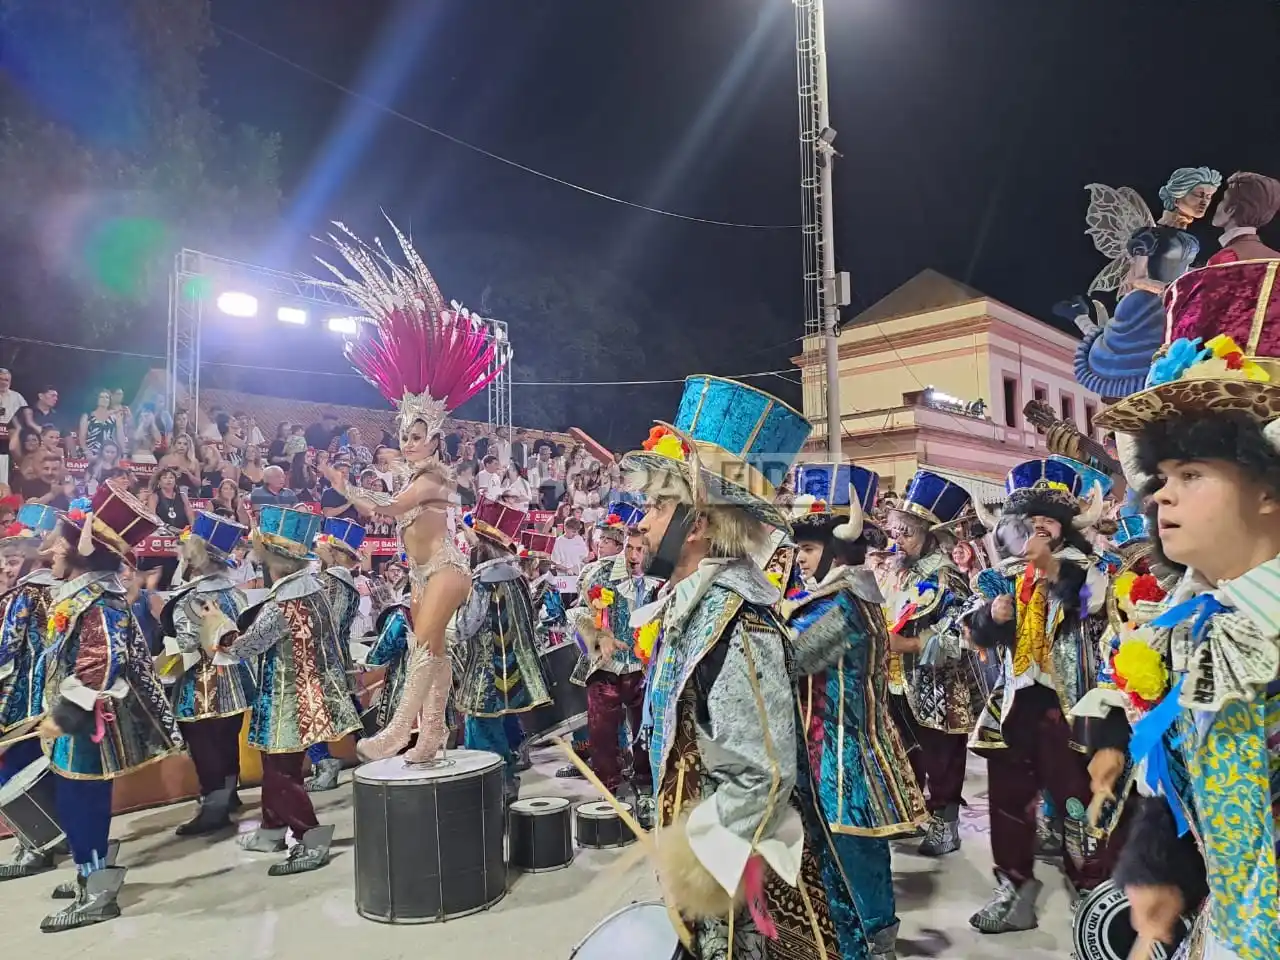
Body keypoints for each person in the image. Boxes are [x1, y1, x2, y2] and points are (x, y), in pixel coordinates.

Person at [622, 377, 852, 959]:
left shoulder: (737, 620)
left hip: (738, 889)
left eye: (656, 506)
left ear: (696, 524)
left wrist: (698, 865)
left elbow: (764, 776)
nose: (640, 523)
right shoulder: (692, 605)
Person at [1081, 330, 1280, 958]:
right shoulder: (1184, 623)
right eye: (1162, 476)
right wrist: (1159, 871)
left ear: (1270, 489)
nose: (1161, 493)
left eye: (1191, 474)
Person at [318, 222, 495, 765]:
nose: (409, 442)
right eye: (404, 435)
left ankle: (399, 732)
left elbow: (392, 509)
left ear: (435, 437)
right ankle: (432, 739)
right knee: (436, 654)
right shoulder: (413, 473)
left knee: (422, 645)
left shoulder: (435, 476)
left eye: (418, 435)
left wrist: (344, 486)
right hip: (421, 574)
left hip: (448, 570)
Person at [964, 459, 1117, 934]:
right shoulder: (1004, 574)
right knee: (1008, 800)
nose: (1037, 527)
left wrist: (1046, 565)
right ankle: (1013, 886)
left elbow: (1087, 602)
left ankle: (1093, 890)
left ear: (1065, 527)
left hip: (1072, 708)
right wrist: (992, 614)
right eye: (1029, 520)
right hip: (1013, 703)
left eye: (1047, 520)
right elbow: (973, 632)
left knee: (1078, 801)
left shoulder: (1089, 569)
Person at [782, 464, 928, 960]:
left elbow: (788, 659)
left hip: (844, 756)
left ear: (840, 549)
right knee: (843, 858)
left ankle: (873, 945)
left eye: (807, 549)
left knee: (853, 859)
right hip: (831, 749)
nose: (799, 560)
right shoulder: (841, 595)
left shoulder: (841, 605)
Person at [35, 482, 181, 931]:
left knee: (81, 799)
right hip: (77, 718)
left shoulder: (98, 600)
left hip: (85, 724)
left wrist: (64, 715)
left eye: (61, 539)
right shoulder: (84, 593)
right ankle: (90, 870)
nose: (51, 549)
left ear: (83, 550)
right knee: (79, 798)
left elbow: (103, 662)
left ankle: (94, 886)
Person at [193, 505, 359, 876]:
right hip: (302, 690)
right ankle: (271, 829)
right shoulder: (314, 590)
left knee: (283, 770)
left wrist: (214, 623)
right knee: (274, 764)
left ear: (275, 558)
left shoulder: (282, 604)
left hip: (290, 697)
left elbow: (241, 647)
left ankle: (309, 836)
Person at [880, 471, 981, 857]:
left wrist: (907, 643)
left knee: (942, 756)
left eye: (906, 532)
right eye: (895, 531)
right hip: (896, 681)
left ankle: (946, 824)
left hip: (937, 685)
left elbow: (963, 638)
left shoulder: (947, 578)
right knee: (905, 749)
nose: (897, 540)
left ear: (928, 533)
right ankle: (911, 813)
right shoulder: (893, 569)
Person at [160, 512, 254, 836]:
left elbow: (186, 649)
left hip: (201, 689)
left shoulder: (191, 598)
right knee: (228, 743)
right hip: (237, 684)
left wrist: (159, 670)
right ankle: (229, 795)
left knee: (205, 748)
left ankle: (214, 809)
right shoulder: (236, 592)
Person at [454, 498, 551, 797]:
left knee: (482, 730)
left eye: (468, 535)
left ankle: (498, 785)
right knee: (505, 724)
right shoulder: (518, 579)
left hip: (486, 674)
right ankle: (508, 776)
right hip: (515, 670)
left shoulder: (482, 582)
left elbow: (465, 627)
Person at [565, 505, 654, 799]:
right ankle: (609, 790)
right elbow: (576, 613)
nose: (634, 556)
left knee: (647, 730)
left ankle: (646, 778)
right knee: (602, 735)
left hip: (645, 668)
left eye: (641, 549)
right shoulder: (598, 573)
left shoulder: (661, 576)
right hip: (606, 667)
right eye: (630, 547)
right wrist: (597, 636)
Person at [0, 504, 61, 881]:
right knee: (49, 768)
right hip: (53, 697)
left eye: (11, 560)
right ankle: (56, 837)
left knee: (16, 771)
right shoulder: (61, 588)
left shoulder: (23, 594)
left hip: (22, 698)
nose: (6, 568)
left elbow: (6, 648)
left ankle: (35, 844)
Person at [305, 517, 368, 792]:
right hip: (336, 655)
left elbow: (325, 624)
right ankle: (372, 750)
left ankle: (324, 763)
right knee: (349, 709)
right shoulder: (339, 581)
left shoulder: (330, 582)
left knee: (313, 711)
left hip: (322, 657)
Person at [78, 389, 119, 458]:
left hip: (108, 454)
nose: (104, 399)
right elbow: (82, 438)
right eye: (101, 397)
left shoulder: (114, 417)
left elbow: (117, 437)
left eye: (107, 397)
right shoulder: (87, 416)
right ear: (96, 400)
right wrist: (87, 452)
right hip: (89, 452)